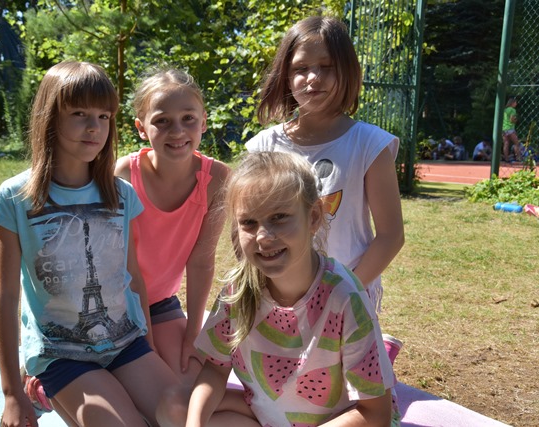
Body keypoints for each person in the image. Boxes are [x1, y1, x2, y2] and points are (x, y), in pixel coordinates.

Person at [0, 61, 179, 427]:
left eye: (104, 116)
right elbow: (5, 295)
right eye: (79, 114)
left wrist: (149, 346)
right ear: (49, 118)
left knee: (184, 417)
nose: (94, 127)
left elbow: (133, 277)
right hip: (60, 353)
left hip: (126, 342)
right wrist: (10, 393)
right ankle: (39, 387)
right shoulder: (15, 197)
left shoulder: (122, 194)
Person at [157, 151, 400, 427]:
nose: (263, 236)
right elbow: (215, 369)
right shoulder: (238, 290)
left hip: (338, 421)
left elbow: (375, 414)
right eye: (249, 222)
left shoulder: (345, 297)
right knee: (174, 406)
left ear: (313, 217)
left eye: (279, 217)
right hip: (268, 414)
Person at [244, 16, 405, 362]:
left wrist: (342, 292)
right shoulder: (262, 147)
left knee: (342, 385)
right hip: (276, 300)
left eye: (327, 67)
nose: (313, 77)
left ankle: (377, 350)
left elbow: (391, 236)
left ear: (348, 71)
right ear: (285, 76)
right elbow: (245, 229)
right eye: (301, 68)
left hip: (348, 299)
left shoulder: (370, 144)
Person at [115, 68, 230, 386]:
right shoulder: (124, 176)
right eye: (162, 121)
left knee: (191, 381)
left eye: (188, 118)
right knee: (147, 390)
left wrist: (194, 334)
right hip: (118, 304)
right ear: (142, 128)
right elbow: (126, 267)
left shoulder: (218, 179)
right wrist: (146, 342)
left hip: (162, 304)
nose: (177, 131)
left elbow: (201, 261)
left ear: (203, 121)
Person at [502, 97, 521, 162]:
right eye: (515, 103)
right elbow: (511, 119)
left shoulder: (505, 110)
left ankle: (506, 158)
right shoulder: (513, 110)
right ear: (512, 103)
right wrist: (516, 120)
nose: (516, 104)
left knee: (506, 143)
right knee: (516, 143)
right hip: (510, 128)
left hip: (504, 128)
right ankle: (518, 157)